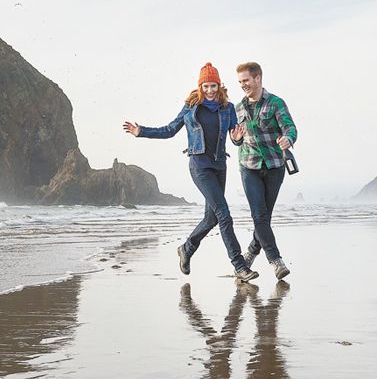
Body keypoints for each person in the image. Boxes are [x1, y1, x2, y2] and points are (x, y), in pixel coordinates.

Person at [123, 62, 256, 281]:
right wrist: (141, 132)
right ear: (200, 87)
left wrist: (238, 138)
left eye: (213, 86)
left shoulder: (228, 108)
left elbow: (235, 138)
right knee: (224, 215)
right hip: (199, 166)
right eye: (206, 87)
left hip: (219, 165)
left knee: (212, 218)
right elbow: (170, 130)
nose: (210, 91)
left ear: (219, 86)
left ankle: (187, 248)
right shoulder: (191, 107)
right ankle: (240, 266)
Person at [231, 62, 297, 280]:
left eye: (246, 81)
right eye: (240, 82)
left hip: (275, 166)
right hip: (249, 167)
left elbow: (289, 127)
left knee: (264, 218)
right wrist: (236, 138)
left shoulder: (276, 103)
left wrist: (288, 138)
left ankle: (250, 252)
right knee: (259, 215)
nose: (243, 85)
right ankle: (276, 261)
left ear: (258, 78)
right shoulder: (238, 108)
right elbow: (235, 138)